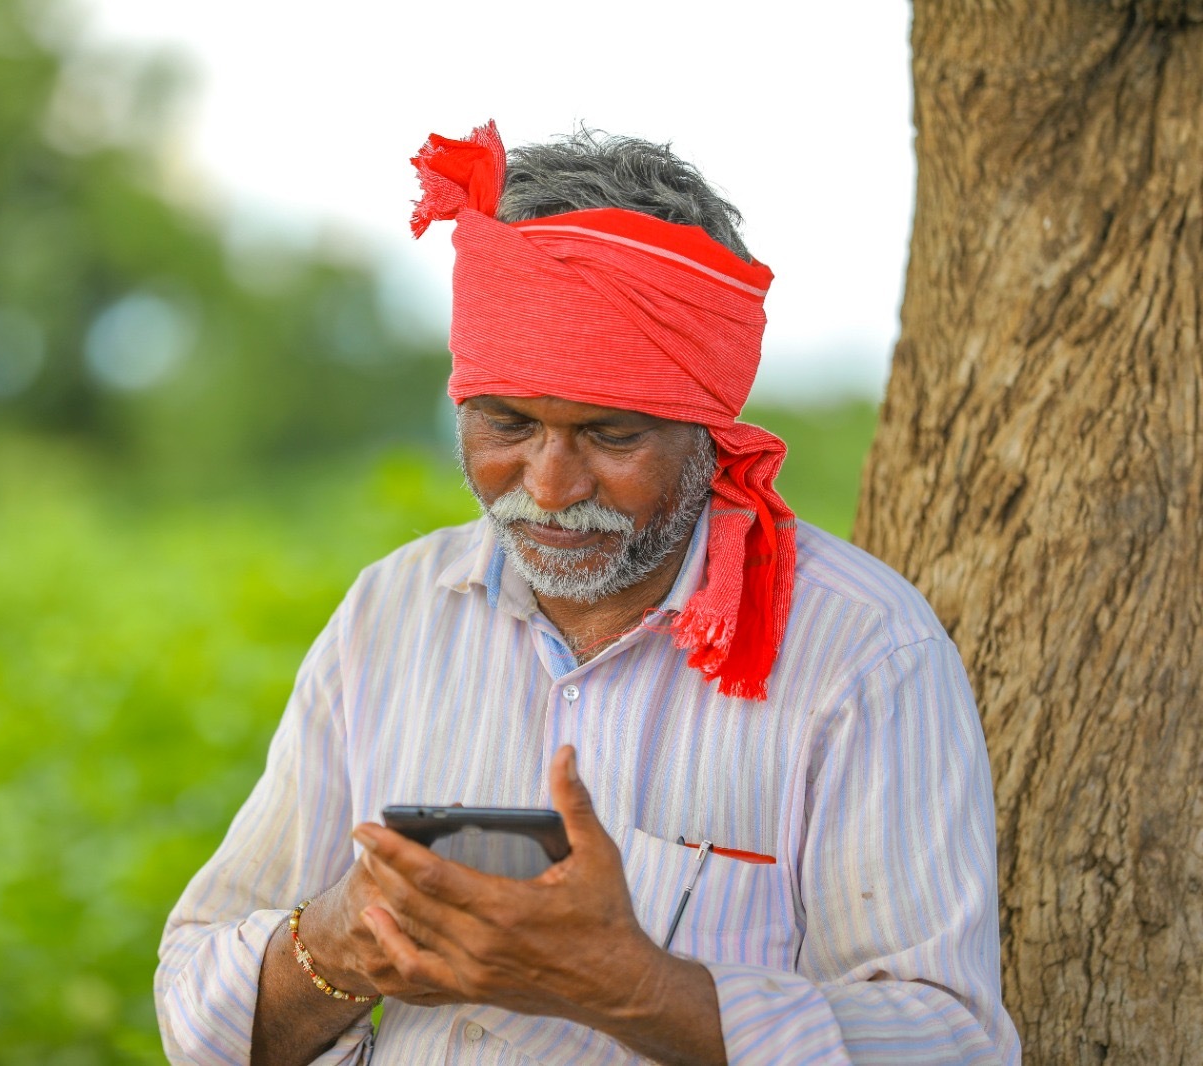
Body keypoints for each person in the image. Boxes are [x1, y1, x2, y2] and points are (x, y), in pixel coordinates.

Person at [155, 120, 1021, 1065]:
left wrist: (636, 992)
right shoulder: (391, 613)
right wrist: (342, 942)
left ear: (707, 429)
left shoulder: (861, 654)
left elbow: (953, 1043)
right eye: (508, 423)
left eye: (611, 436)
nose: (551, 485)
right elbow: (197, 1011)